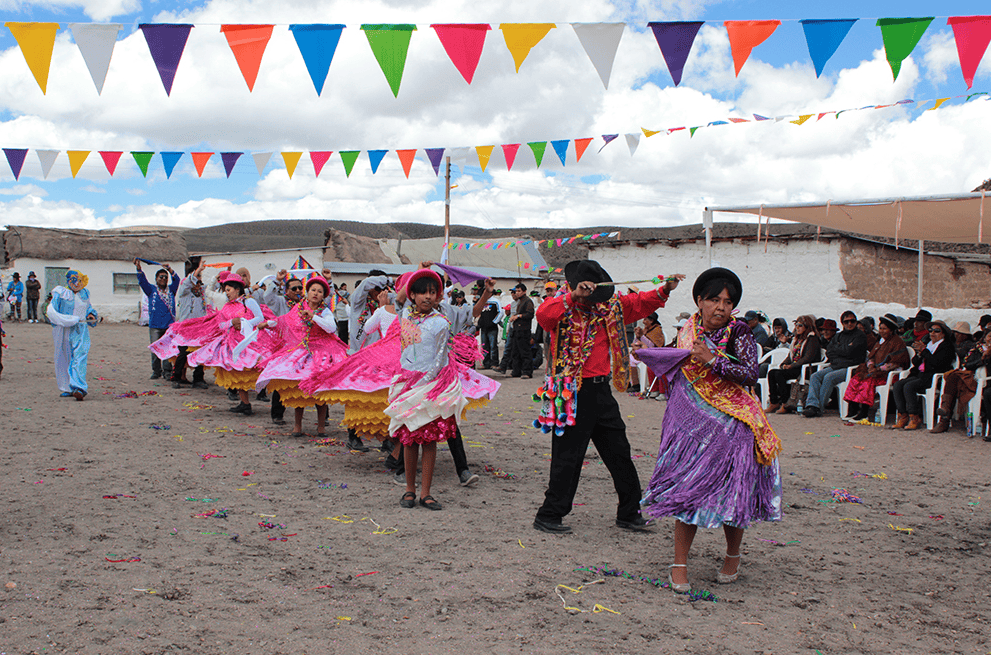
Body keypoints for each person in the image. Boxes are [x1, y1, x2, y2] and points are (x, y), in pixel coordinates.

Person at [639, 267, 781, 593]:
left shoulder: (740, 332)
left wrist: (712, 360)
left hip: (732, 425)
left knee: (734, 495)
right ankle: (679, 564)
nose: (721, 307)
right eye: (714, 300)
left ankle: (732, 556)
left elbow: (749, 374)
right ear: (699, 301)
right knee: (687, 491)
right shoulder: (688, 330)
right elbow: (675, 360)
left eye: (728, 302)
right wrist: (648, 348)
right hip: (691, 429)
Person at [532, 260, 683, 534]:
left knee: (619, 454)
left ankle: (629, 512)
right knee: (567, 457)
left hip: (601, 391)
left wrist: (665, 289)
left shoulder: (610, 307)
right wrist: (573, 297)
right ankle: (549, 514)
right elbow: (544, 317)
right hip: (570, 391)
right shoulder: (563, 305)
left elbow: (638, 303)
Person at [385, 269, 479, 511]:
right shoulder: (403, 314)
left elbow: (440, 358)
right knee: (408, 440)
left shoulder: (440, 322)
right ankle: (409, 489)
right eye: (422, 292)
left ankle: (426, 492)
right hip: (406, 385)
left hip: (429, 387)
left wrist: (427, 382)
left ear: (438, 297)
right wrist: (420, 272)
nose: (427, 296)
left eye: (432, 292)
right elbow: (398, 298)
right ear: (413, 295)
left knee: (428, 441)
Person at [256, 274, 347, 437]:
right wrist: (268, 324)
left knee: (319, 391)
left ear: (323, 296)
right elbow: (284, 321)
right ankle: (297, 426)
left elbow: (331, 327)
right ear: (308, 292)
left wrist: (314, 317)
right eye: (313, 290)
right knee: (300, 391)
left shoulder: (324, 311)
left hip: (321, 353)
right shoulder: (298, 308)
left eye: (320, 291)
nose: (316, 293)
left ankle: (321, 427)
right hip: (302, 352)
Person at [184, 272, 273, 415]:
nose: (227, 293)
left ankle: (261, 396)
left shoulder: (248, 302)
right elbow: (221, 325)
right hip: (231, 343)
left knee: (251, 368)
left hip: (247, 342)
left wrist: (244, 323)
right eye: (225, 291)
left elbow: (259, 318)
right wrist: (232, 322)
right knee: (236, 371)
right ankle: (245, 403)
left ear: (237, 289)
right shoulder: (226, 307)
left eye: (229, 290)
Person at [889, 319, 956, 430]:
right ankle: (903, 415)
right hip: (921, 374)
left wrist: (924, 351)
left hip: (933, 376)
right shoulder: (929, 344)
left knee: (909, 386)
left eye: (937, 331)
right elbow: (916, 362)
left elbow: (937, 363)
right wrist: (920, 353)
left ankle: (914, 417)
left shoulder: (946, 347)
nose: (932, 333)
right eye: (931, 330)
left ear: (943, 333)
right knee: (898, 385)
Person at [841, 314, 910, 422]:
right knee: (856, 378)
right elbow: (871, 357)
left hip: (889, 375)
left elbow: (896, 363)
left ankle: (864, 413)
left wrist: (878, 369)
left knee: (867, 382)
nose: (881, 331)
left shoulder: (897, 342)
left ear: (891, 330)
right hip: (875, 372)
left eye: (885, 329)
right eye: (880, 328)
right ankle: (853, 410)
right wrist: (871, 366)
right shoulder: (880, 341)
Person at [802, 311, 869, 418]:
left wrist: (839, 349)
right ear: (842, 323)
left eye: (852, 321)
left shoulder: (860, 336)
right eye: (846, 322)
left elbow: (851, 352)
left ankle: (818, 408)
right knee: (815, 376)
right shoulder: (839, 336)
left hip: (851, 368)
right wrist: (844, 349)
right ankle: (812, 405)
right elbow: (829, 351)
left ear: (856, 322)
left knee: (829, 377)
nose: (850, 324)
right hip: (836, 366)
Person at [46, 270, 98, 400]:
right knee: (63, 356)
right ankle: (66, 387)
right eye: (74, 280)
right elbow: (52, 311)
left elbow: (88, 308)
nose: (77, 283)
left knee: (80, 356)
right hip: (63, 329)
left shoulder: (85, 293)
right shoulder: (60, 293)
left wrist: (91, 315)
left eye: (79, 280)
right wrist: (66, 320)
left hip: (81, 328)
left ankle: (78, 387)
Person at [930, 327, 991, 433]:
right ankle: (945, 415)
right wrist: (981, 360)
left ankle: (945, 416)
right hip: (972, 379)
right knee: (953, 377)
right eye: (989, 336)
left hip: (985, 382)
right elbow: (966, 364)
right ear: (985, 337)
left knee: (955, 379)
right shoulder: (977, 348)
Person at [134, 259, 180, 380]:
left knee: (167, 350)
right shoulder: (151, 290)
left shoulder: (171, 290)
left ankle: (167, 371)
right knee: (155, 350)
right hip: (155, 325)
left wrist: (170, 269)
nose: (163, 279)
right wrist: (139, 269)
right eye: (161, 277)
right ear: (156, 279)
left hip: (169, 325)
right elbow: (142, 281)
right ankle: (156, 371)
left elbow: (177, 279)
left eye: (165, 277)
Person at [765, 314, 822, 414]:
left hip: (805, 369)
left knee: (779, 374)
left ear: (807, 327)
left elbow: (807, 358)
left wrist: (791, 366)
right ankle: (774, 402)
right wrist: (784, 364)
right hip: (795, 367)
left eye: (800, 325)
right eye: (796, 325)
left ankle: (785, 403)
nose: (797, 328)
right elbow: (790, 355)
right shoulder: (797, 339)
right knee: (772, 373)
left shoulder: (812, 339)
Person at [171, 260, 210, 390]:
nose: (198, 282)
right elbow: (187, 283)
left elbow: (214, 285)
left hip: (199, 329)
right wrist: (197, 271)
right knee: (182, 354)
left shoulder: (201, 294)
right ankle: (176, 377)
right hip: (186, 329)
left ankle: (198, 378)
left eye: (200, 280)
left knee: (200, 354)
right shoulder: (184, 292)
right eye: (196, 278)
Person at [504, 283, 535, 378]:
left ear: (524, 291)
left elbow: (530, 314)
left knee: (525, 351)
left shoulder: (528, 301)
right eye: (516, 291)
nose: (517, 293)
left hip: (524, 330)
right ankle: (516, 371)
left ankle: (527, 372)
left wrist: (518, 316)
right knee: (515, 352)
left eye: (519, 291)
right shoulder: (519, 302)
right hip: (516, 329)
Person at [477, 296, 504, 369]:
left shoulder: (495, 301)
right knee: (484, 346)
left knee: (493, 346)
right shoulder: (481, 301)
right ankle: (486, 363)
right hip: (483, 328)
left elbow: (501, 312)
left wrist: (494, 322)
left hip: (492, 328)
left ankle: (494, 363)